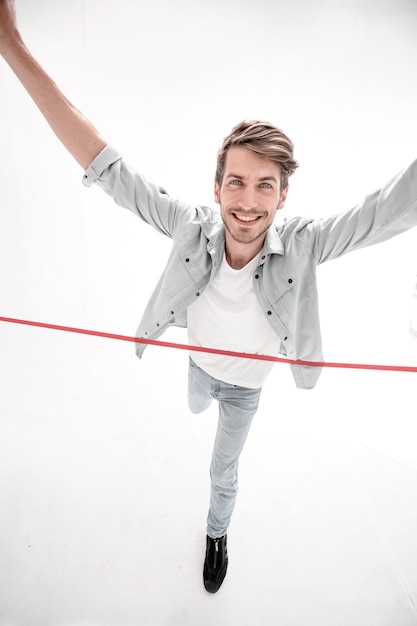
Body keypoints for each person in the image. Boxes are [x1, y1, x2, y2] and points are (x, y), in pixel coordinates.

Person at [1, 0, 417, 595]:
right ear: (216, 185)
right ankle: (200, 396)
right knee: (196, 404)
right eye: (237, 182)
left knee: (224, 469)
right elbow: (106, 166)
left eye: (264, 187)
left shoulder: (305, 245)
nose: (248, 201)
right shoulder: (191, 226)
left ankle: (217, 533)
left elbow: (389, 210)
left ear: (283, 196)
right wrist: (12, 46)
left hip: (247, 388)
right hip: (198, 368)